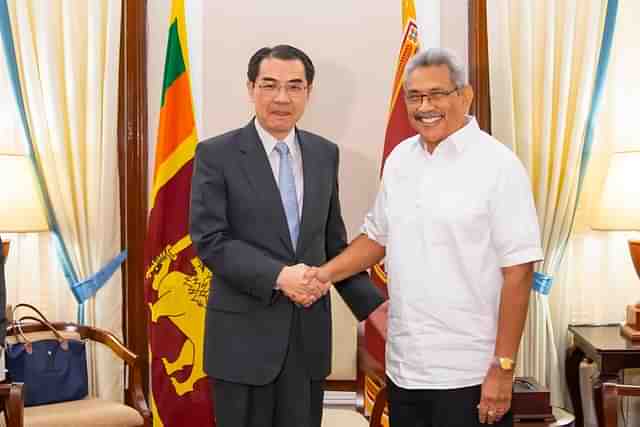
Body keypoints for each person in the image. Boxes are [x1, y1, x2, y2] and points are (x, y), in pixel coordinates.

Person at [311, 48, 543, 427]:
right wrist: (321, 276)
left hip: (469, 372)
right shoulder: (401, 159)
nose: (425, 106)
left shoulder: (499, 166)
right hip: (405, 368)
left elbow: (519, 272)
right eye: (415, 97)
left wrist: (503, 369)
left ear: (464, 96)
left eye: (437, 94)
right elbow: (376, 238)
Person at [189, 44, 384, 427]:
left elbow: (332, 244)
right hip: (242, 341)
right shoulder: (216, 154)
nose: (282, 97)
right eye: (270, 85)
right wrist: (281, 276)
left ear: (309, 92)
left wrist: (376, 310)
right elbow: (211, 239)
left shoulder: (324, 154)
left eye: (295, 86)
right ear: (251, 88)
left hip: (306, 339)